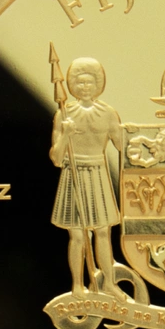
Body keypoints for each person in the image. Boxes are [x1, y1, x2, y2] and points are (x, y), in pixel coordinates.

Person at [50, 57, 124, 300]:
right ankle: (77, 285)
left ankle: (109, 283)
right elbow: (56, 158)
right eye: (80, 83)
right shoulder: (64, 114)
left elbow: (123, 146)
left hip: (98, 174)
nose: (85, 87)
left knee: (103, 231)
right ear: (72, 85)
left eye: (89, 82)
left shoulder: (108, 113)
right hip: (73, 174)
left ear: (97, 85)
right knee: (78, 235)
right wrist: (65, 134)